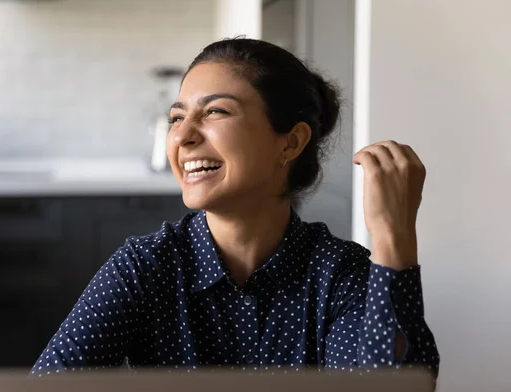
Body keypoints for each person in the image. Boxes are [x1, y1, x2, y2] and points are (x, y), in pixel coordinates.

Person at [32, 38, 439, 376]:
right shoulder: (144, 268)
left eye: (215, 111)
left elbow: (387, 388)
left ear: (291, 143)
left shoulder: (341, 275)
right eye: (176, 118)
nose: (183, 136)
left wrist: (393, 238)